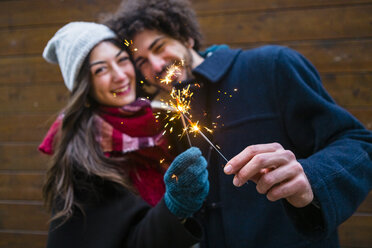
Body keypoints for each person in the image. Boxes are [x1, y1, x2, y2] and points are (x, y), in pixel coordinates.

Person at [104, 0, 372, 247]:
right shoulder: (172, 117)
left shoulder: (271, 67)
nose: (157, 65)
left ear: (185, 36)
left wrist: (311, 177)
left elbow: (358, 142)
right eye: (142, 62)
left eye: (159, 46)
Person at [38, 21, 210, 248]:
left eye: (122, 60)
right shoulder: (82, 154)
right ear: (84, 85)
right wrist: (174, 207)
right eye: (100, 69)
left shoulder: (163, 120)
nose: (119, 75)